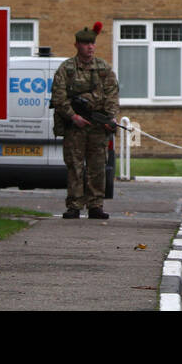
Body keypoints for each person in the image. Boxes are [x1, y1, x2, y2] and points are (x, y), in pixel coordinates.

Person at [51, 22, 120, 219]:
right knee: (75, 166)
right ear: (77, 45)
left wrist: (109, 118)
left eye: (92, 44)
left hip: (98, 126)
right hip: (75, 126)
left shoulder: (103, 68)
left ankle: (95, 205)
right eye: (85, 44)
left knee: (97, 166)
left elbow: (112, 95)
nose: (90, 47)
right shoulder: (67, 69)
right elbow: (58, 97)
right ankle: (74, 205)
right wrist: (73, 116)